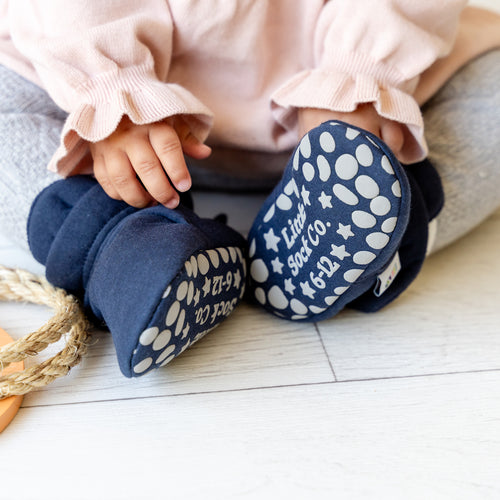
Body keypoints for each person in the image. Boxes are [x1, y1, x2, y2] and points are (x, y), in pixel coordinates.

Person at [0, 1, 499, 375]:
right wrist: (109, 84)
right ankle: (127, 246)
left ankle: (374, 225)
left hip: (360, 110)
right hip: (119, 120)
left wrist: (361, 74)